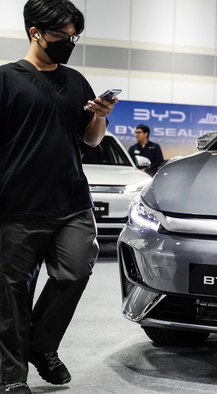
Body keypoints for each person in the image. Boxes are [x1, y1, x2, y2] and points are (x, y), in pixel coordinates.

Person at [0, 1, 118, 392]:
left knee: (76, 271)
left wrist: (100, 115)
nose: (68, 43)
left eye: (73, 37)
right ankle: (12, 378)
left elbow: (91, 139)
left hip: (72, 202)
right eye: (60, 36)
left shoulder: (75, 81)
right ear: (35, 32)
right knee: (13, 295)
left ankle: (41, 345)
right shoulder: (5, 80)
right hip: (16, 206)